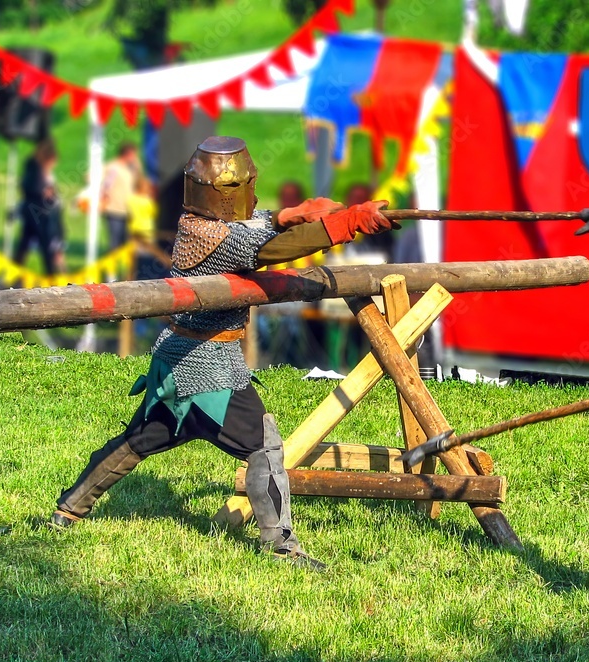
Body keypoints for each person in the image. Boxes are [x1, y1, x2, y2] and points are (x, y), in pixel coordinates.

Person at [50, 136, 395, 569]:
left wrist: (290, 214)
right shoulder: (216, 238)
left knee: (139, 439)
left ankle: (67, 510)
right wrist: (348, 223)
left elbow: (253, 230)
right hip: (206, 369)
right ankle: (282, 546)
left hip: (175, 362)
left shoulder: (198, 227)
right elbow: (273, 249)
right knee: (264, 446)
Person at [15, 138, 61, 276]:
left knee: (26, 245)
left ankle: (16, 274)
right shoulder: (34, 166)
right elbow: (29, 186)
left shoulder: (44, 171)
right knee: (42, 244)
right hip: (36, 211)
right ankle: (50, 275)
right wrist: (44, 191)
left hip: (40, 211)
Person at [101, 143, 139, 252]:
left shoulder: (130, 169)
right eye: (133, 155)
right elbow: (103, 182)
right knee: (115, 242)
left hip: (128, 211)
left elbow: (139, 182)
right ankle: (111, 268)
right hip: (114, 210)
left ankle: (124, 268)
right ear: (127, 154)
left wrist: (137, 166)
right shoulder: (114, 168)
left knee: (126, 242)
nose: (135, 158)